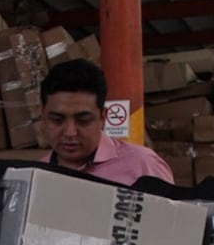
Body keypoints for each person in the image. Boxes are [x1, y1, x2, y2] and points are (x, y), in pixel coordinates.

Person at [38, 58, 174, 185]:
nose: (70, 132)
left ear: (103, 118)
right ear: (43, 118)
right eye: (57, 120)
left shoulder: (143, 166)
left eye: (83, 120)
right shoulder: (35, 175)